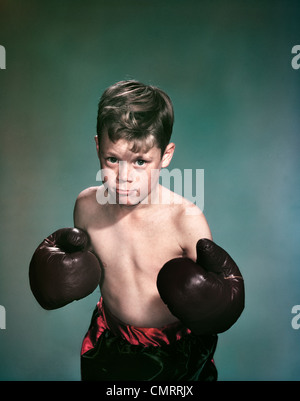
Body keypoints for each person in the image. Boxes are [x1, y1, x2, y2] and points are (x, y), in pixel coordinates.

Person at [29, 80, 244, 381]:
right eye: (112, 159)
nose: (124, 177)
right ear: (97, 148)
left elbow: (210, 297)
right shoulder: (87, 207)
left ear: (165, 156)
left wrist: (218, 306)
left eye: (140, 161)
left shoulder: (186, 219)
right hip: (108, 344)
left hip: (174, 353)